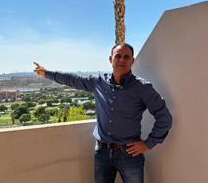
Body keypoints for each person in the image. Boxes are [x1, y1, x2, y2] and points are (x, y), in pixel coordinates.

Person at [33, 43, 172, 183]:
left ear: (132, 61)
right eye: (118, 56)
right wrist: (46, 73)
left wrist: (148, 143)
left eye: (126, 57)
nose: (122, 60)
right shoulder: (98, 82)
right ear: (110, 59)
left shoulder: (142, 88)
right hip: (102, 152)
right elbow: (72, 79)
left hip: (130, 154)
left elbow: (164, 117)